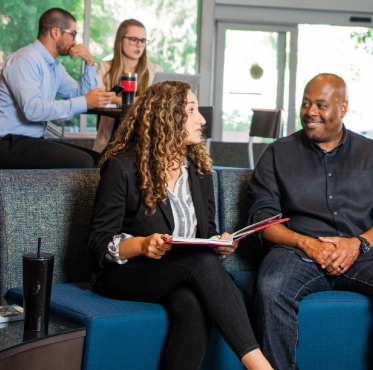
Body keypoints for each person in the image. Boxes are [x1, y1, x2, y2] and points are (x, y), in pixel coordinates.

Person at [87, 80, 272, 370]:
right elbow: (98, 241)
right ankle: (260, 366)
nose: (202, 119)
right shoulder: (122, 167)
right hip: (126, 273)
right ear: (167, 118)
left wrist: (219, 243)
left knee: (193, 303)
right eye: (191, 110)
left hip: (183, 271)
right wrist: (142, 244)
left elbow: (205, 232)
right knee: (199, 264)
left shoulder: (199, 171)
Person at [248, 73, 373, 370]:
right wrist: (305, 243)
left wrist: (358, 243)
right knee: (271, 284)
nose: (310, 112)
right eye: (305, 104)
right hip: (297, 252)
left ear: (343, 108)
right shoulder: (277, 153)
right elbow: (262, 219)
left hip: (363, 251)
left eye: (320, 105)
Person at [0, 8, 114, 169]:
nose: (75, 41)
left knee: (98, 159)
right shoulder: (25, 59)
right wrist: (85, 101)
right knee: (85, 162)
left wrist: (90, 62)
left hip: (31, 141)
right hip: (8, 143)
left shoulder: (54, 66)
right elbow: (33, 110)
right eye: (73, 34)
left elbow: (81, 95)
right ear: (55, 33)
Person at [92, 19, 162, 153]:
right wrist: (133, 100)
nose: (139, 45)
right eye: (134, 39)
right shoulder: (104, 67)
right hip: (109, 138)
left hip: (143, 140)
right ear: (120, 40)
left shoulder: (155, 70)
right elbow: (95, 98)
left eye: (143, 41)